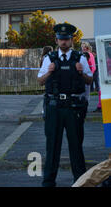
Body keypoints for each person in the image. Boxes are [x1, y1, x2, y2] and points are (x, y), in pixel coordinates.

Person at [37, 23, 93, 187]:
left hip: (73, 107)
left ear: (71, 40)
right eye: (61, 39)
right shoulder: (49, 58)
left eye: (67, 39)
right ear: (56, 40)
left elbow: (90, 81)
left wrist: (82, 72)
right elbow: (40, 81)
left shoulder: (80, 57)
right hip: (54, 107)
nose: (64, 42)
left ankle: (80, 181)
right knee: (52, 146)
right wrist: (49, 71)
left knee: (76, 146)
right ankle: (48, 182)